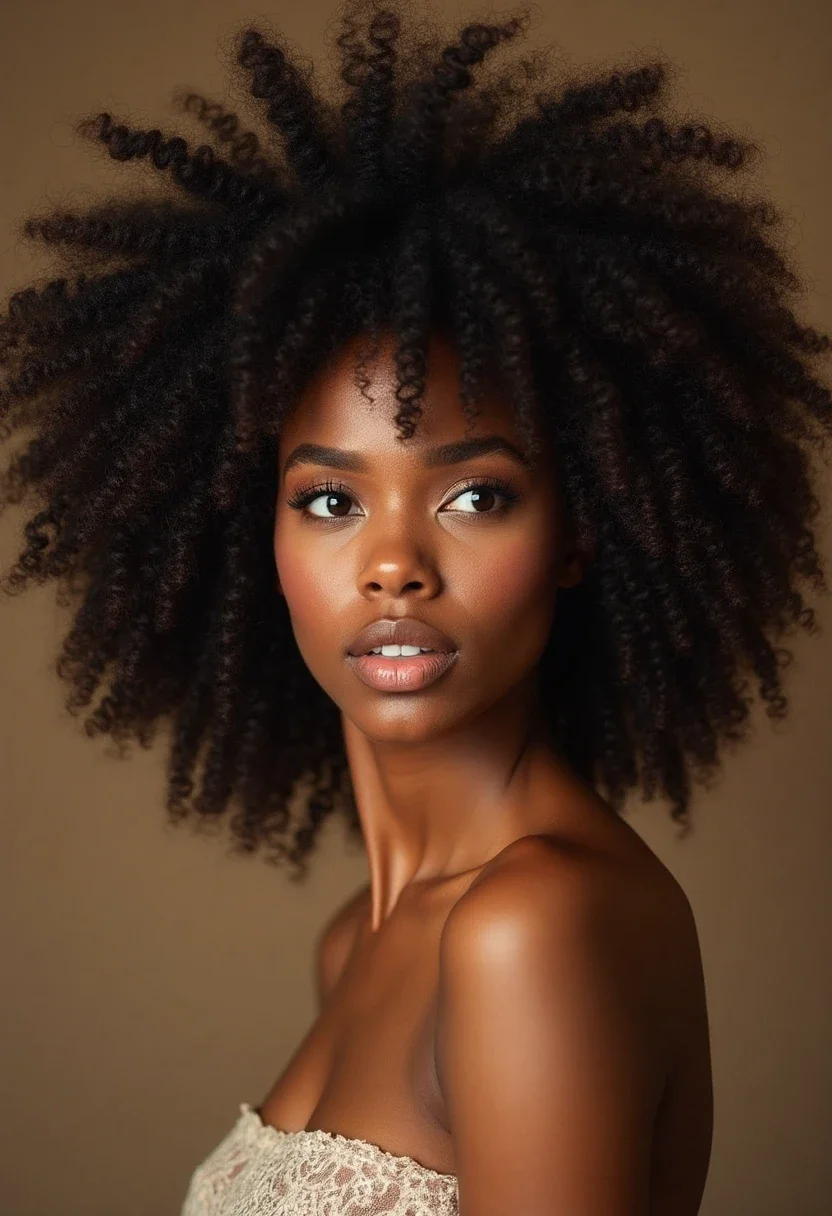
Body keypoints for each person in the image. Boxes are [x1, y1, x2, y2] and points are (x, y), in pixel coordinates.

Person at [1, 1, 829, 1213]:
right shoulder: (357, 937)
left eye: (475, 495)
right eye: (329, 501)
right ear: (255, 536)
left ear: (578, 532)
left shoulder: (536, 925)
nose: (393, 565)